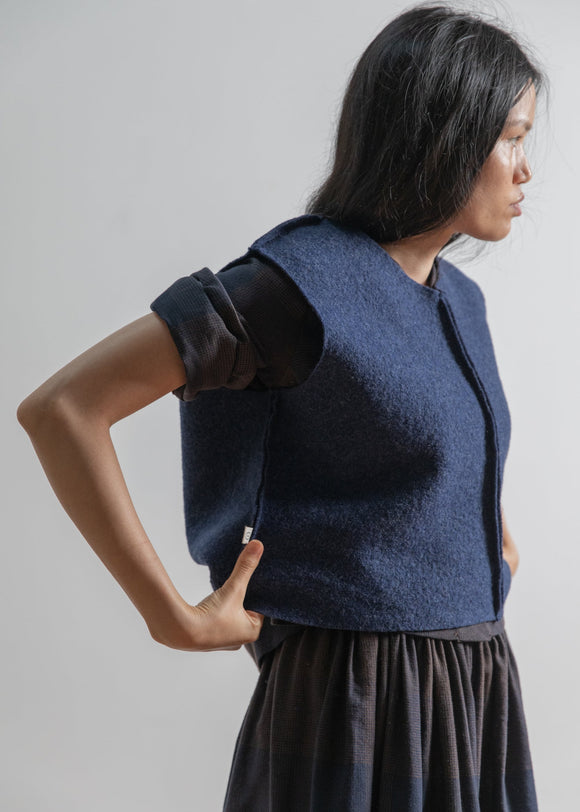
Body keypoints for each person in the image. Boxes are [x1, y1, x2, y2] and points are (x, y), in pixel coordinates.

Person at [17, 3, 545, 810]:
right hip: (354, 705)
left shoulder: (459, 299)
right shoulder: (294, 286)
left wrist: (483, 548)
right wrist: (176, 618)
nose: (525, 168)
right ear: (443, 133)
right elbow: (64, 409)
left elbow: (433, 457)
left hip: (471, 691)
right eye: (510, 136)